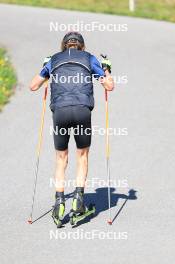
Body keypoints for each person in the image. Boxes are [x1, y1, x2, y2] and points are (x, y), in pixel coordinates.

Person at [30, 32, 114, 226]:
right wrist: (106, 69)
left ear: (64, 46)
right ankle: (78, 201)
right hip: (82, 111)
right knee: (82, 155)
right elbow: (109, 86)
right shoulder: (89, 58)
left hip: (60, 112)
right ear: (81, 47)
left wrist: (45, 69)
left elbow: (33, 86)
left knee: (61, 157)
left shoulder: (54, 59)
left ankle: (59, 201)